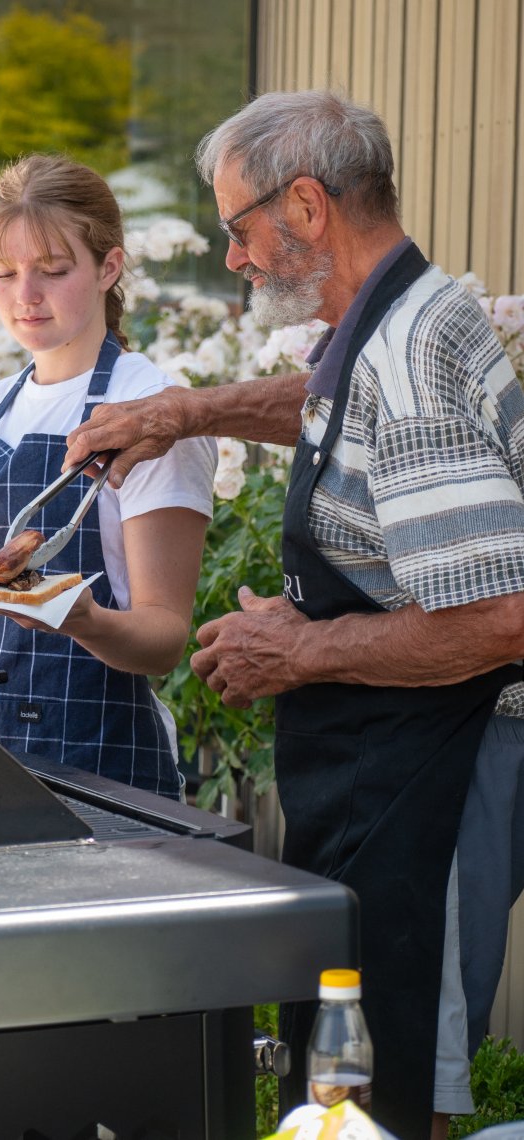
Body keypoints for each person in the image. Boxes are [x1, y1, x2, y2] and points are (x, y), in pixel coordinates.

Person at [63, 90, 524, 1140]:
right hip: (387, 766)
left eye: (238, 229)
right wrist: (184, 411)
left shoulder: (406, 358)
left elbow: (503, 619)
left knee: (380, 1092)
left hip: (432, 784)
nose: (233, 258)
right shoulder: (392, 320)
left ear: (306, 209)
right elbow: (324, 397)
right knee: (342, 1072)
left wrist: (299, 649)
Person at [0, 154, 217, 800]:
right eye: (3, 274)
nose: (25, 296)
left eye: (53, 271)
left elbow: (165, 634)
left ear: (109, 268)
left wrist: (83, 621)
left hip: (100, 780)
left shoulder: (150, 410)